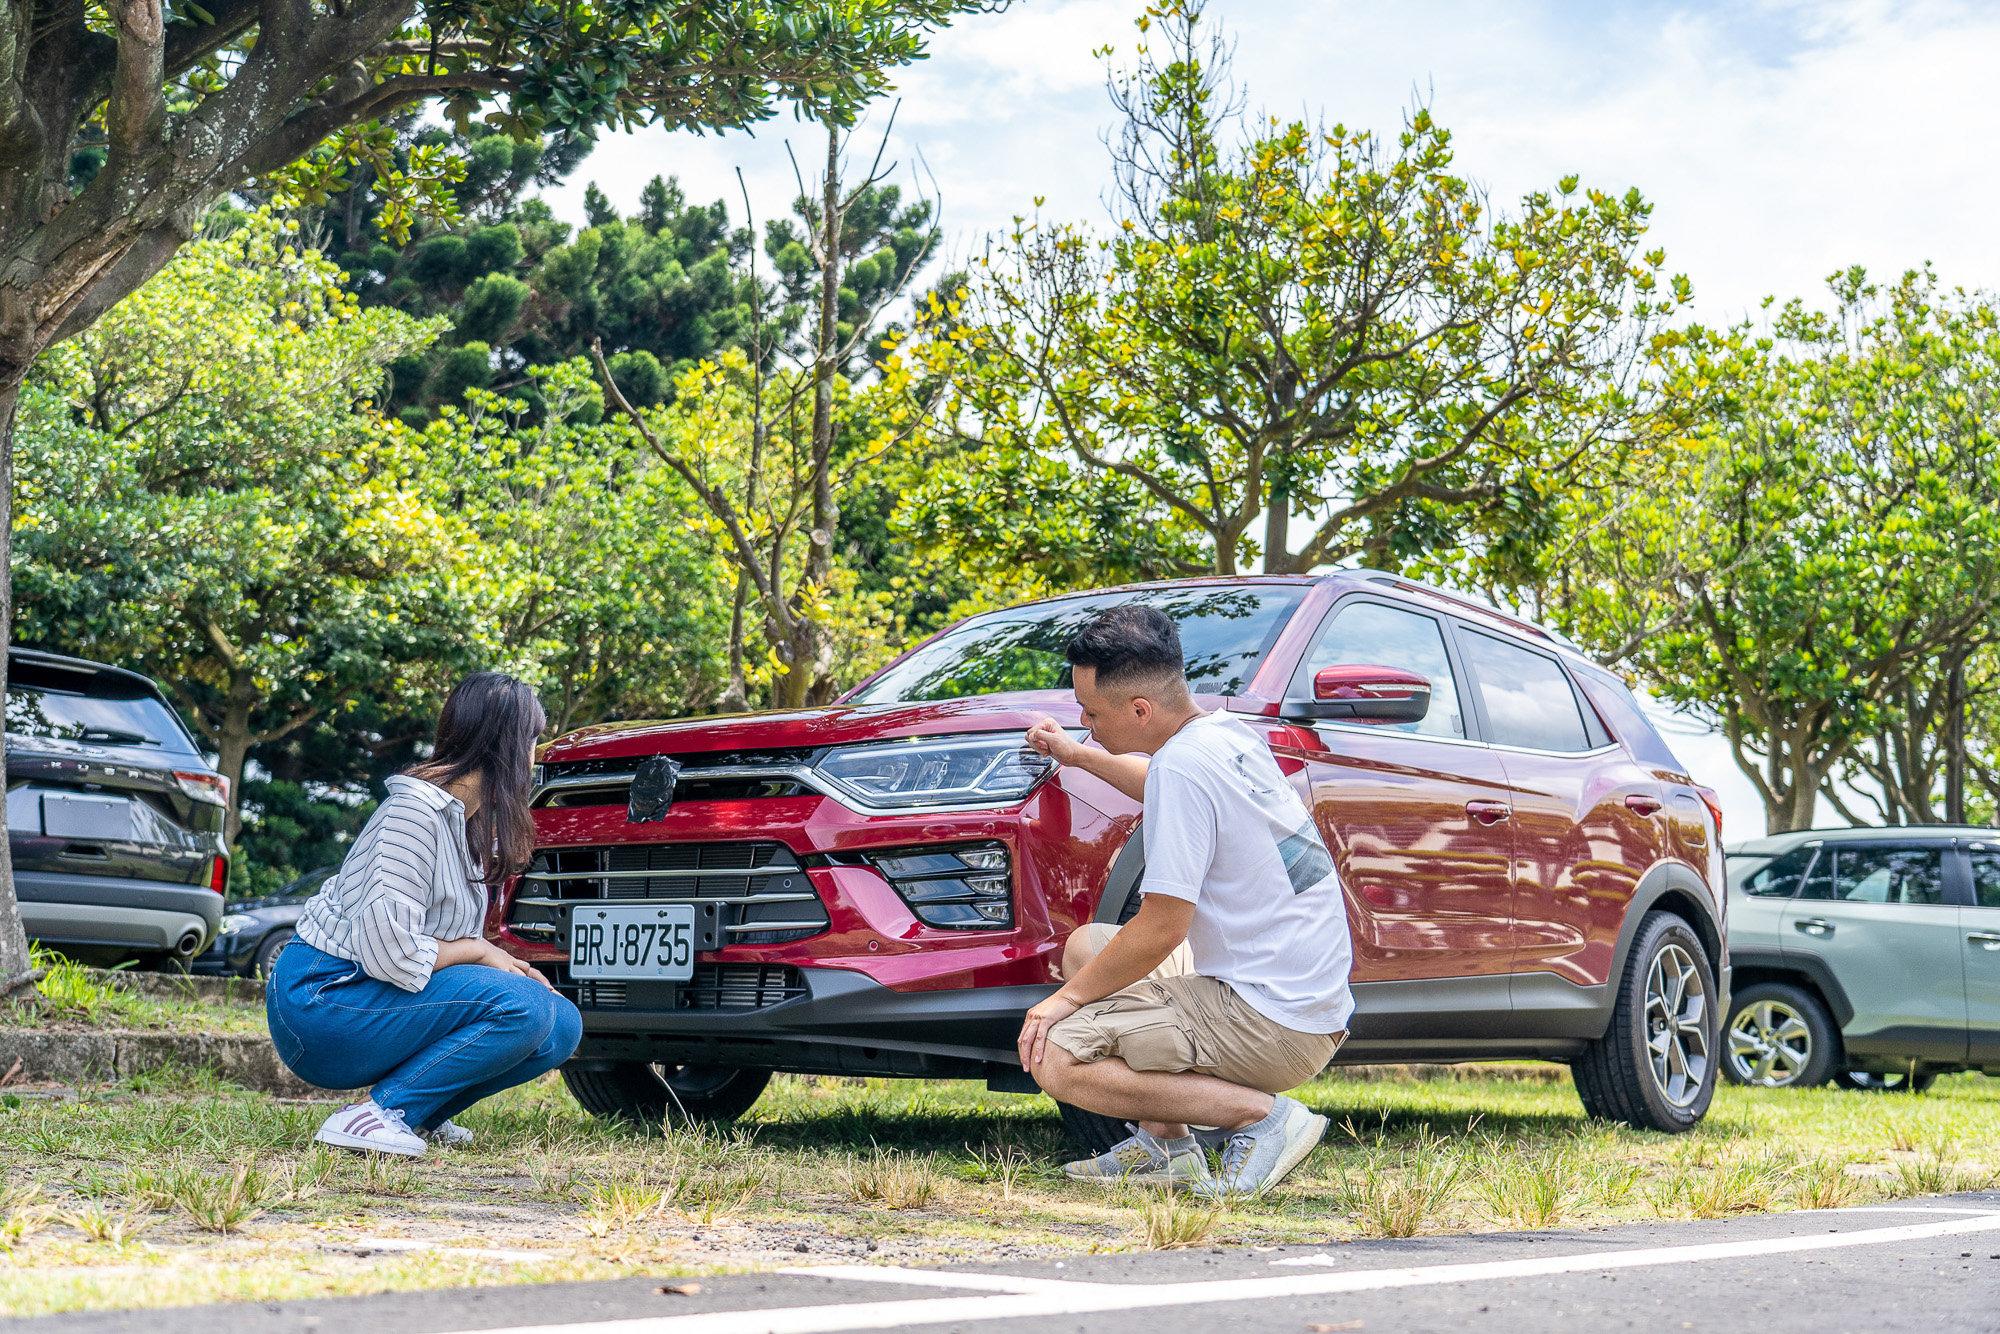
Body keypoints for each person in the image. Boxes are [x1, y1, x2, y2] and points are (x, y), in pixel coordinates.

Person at [1020, 605, 1353, 1196]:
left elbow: (1164, 927)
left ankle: (1267, 1119)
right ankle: (1166, 1148)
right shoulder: (1224, 736)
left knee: (1056, 1055)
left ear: (1140, 710)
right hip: (1303, 1000)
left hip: (1272, 1023)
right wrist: (1076, 755)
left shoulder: (1185, 765)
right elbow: (1164, 786)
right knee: (1090, 947)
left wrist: (1059, 1005)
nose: (1086, 723)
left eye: (1091, 713)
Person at [267, 673, 581, 1157]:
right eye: (532, 739)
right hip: (322, 1000)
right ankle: (378, 1114)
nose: (535, 755)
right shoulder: (413, 814)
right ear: (504, 742)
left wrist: (493, 963)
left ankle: (418, 1114)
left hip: (367, 994)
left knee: (560, 1023)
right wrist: (481, 952)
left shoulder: (466, 824)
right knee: (526, 1007)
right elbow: (388, 950)